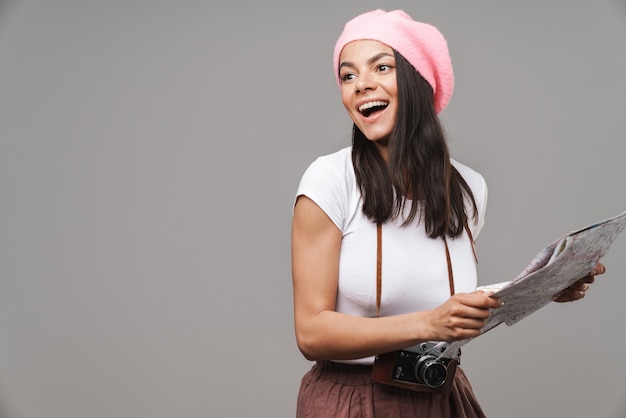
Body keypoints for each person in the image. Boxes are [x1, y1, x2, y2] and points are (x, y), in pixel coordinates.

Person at [291, 9, 604, 417]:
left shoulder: (468, 188)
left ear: (419, 79)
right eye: (347, 76)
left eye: (381, 67)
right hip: (354, 400)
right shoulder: (329, 179)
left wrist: (543, 287)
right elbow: (311, 333)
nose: (361, 84)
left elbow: (447, 309)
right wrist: (430, 323)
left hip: (444, 396)